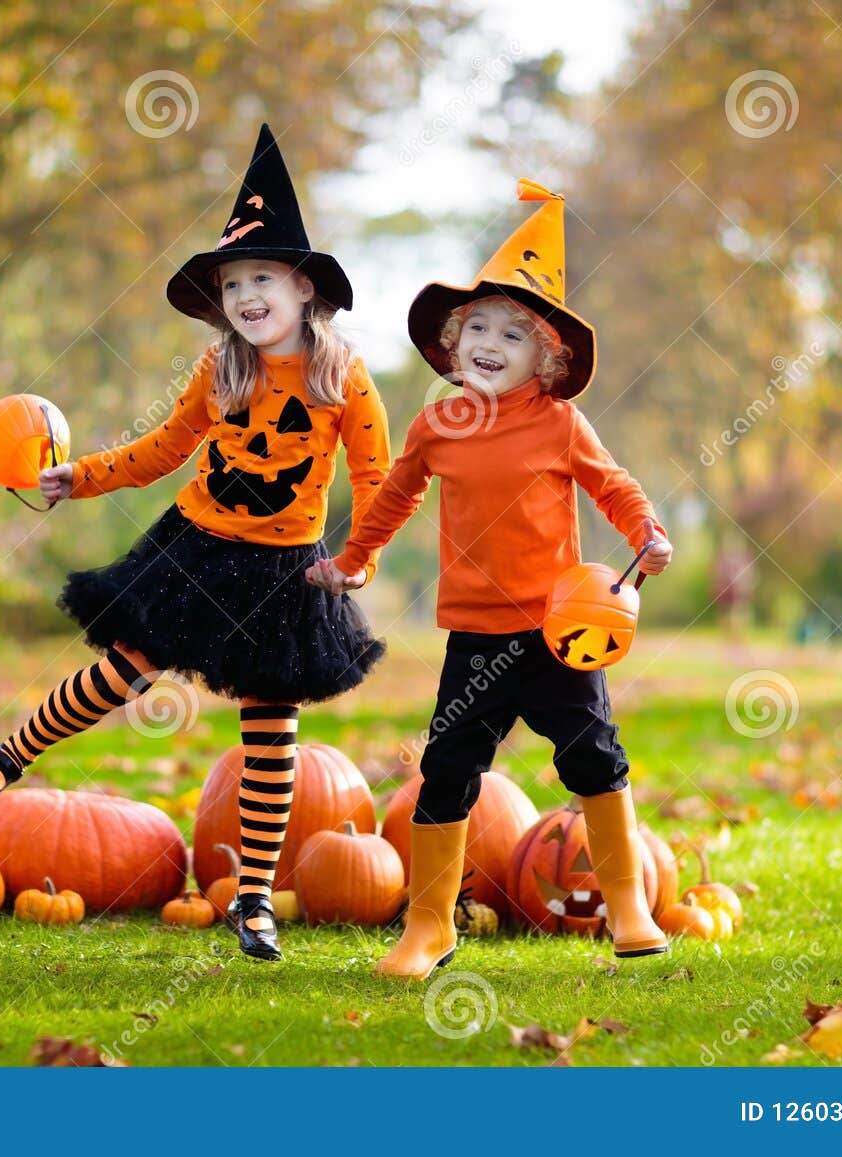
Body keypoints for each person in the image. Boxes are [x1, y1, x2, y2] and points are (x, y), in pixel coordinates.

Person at [0, 124, 391, 962]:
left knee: (272, 732)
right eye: (233, 284)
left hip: (288, 571)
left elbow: (378, 475)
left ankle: (254, 899)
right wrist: (77, 476)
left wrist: (359, 557)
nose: (247, 296)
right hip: (194, 547)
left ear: (304, 289)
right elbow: (161, 450)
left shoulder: (344, 378)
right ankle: (9, 757)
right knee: (122, 669)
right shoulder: (218, 370)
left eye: (262, 278)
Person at [307, 180, 672, 978]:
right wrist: (353, 559)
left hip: (558, 630)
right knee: (447, 767)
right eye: (477, 327)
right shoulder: (438, 424)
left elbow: (612, 483)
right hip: (476, 634)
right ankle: (431, 925)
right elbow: (394, 495)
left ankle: (628, 902)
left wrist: (645, 528)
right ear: (452, 338)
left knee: (592, 756)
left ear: (548, 356)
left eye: (514, 332)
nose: (491, 343)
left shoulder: (560, 422)